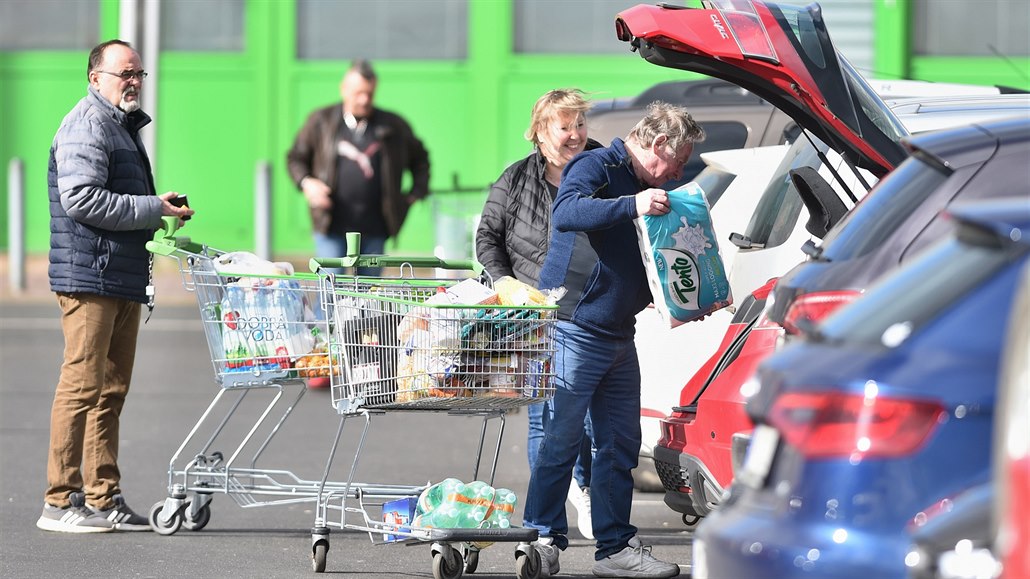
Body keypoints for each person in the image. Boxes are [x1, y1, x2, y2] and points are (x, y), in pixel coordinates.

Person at [523, 101, 705, 578]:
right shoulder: (597, 164)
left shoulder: (646, 184)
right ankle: (542, 538)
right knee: (559, 442)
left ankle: (615, 549)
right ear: (658, 143)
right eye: (679, 159)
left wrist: (680, 298)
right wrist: (633, 204)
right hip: (571, 329)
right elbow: (567, 212)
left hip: (618, 334)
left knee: (619, 445)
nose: (680, 171)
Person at [39, 39, 194, 534]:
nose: (133, 81)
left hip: (118, 277)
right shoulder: (87, 123)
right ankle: (60, 501)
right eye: (124, 73)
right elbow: (82, 199)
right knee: (81, 387)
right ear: (95, 78)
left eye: (139, 74)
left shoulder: (119, 127)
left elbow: (115, 196)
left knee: (110, 391)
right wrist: (153, 208)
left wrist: (159, 204)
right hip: (90, 279)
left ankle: (103, 497)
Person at [475, 88, 601, 540]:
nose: (575, 135)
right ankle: (545, 523)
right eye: (564, 127)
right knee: (542, 417)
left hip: (589, 310)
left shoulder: (604, 168)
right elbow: (487, 236)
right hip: (533, 315)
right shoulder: (515, 180)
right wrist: (502, 280)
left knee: (583, 416)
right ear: (540, 132)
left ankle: (581, 485)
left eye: (580, 124)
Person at [286, 59, 430, 276]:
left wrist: (414, 193)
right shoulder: (321, 121)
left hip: (375, 228)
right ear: (344, 89)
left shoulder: (392, 126)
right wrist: (308, 183)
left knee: (367, 297)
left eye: (370, 94)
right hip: (331, 225)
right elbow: (295, 158)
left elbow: (420, 159)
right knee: (331, 291)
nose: (364, 100)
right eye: (358, 93)